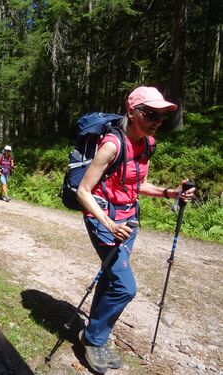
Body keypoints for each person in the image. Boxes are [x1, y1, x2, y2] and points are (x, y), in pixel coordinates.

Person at [76, 86, 196, 374]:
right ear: (132, 111)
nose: (156, 121)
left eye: (161, 116)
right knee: (125, 287)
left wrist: (170, 193)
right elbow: (83, 190)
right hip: (104, 218)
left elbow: (135, 184)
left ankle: (94, 334)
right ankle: (93, 339)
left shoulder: (147, 143)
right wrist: (108, 223)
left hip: (129, 220)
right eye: (150, 114)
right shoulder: (111, 145)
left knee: (111, 277)